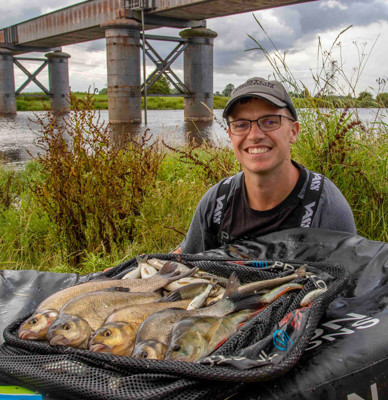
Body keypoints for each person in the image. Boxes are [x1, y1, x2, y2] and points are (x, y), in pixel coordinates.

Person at [174, 77, 357, 254]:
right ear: (230, 135)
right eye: (241, 125)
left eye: (269, 121)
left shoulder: (325, 206)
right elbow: (185, 259)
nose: (254, 135)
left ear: (293, 131)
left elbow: (347, 277)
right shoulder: (217, 203)